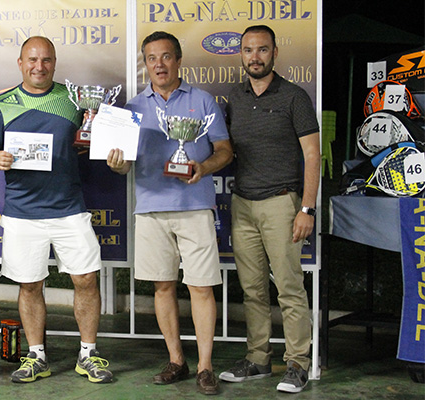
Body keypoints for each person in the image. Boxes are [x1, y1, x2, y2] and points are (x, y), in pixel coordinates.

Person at [0, 36, 113, 385]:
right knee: (30, 285)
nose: (39, 66)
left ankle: (88, 354)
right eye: (32, 59)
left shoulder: (74, 100)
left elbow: (91, 141)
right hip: (22, 211)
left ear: (55, 63)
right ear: (20, 63)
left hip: (69, 207)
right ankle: (36, 356)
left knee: (86, 279)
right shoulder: (1, 104)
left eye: (46, 60)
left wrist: (107, 146)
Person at [107, 31, 233, 395]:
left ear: (178, 60)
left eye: (165, 57)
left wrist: (203, 168)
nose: (159, 64)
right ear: (145, 64)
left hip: (195, 207)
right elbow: (124, 163)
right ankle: (177, 360)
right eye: (151, 58)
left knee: (201, 286)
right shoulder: (131, 108)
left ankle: (205, 366)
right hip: (150, 208)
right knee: (162, 285)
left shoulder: (203, 101)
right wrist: (117, 165)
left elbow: (225, 150)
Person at [218, 25, 320, 394]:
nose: (255, 57)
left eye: (262, 49)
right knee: (253, 289)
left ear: (275, 52)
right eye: (248, 50)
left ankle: (297, 364)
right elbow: (224, 149)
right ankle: (258, 359)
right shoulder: (235, 97)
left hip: (282, 203)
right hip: (243, 203)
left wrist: (307, 208)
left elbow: (313, 155)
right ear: (241, 55)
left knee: (289, 288)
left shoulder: (294, 97)